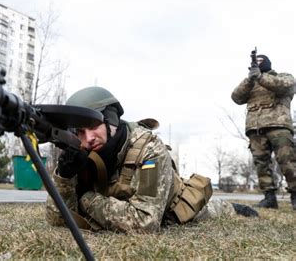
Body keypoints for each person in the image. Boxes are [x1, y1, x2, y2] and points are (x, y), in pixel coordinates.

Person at [46, 86, 258, 233]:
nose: (88, 139)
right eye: (80, 132)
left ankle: (234, 207)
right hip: (121, 201)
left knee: (214, 208)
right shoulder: (79, 151)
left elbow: (145, 223)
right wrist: (64, 178)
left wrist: (85, 199)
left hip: (172, 205)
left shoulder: (148, 148)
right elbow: (56, 218)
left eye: (93, 127)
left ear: (111, 119)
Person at [231, 54, 296, 210]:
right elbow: (236, 97)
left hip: (279, 125)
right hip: (256, 129)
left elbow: (284, 86)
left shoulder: (283, 76)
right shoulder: (251, 83)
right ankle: (269, 197)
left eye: (260, 63)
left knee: (288, 162)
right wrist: (250, 79)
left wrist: (261, 77)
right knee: (261, 164)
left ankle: (295, 195)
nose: (258, 65)